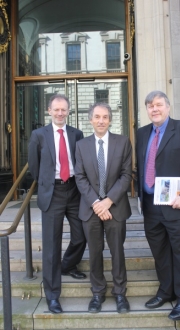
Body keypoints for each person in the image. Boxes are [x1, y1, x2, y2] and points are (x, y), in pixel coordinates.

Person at [136, 91, 180, 321]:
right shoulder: (142, 133)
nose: (154, 109)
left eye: (158, 105)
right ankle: (166, 291)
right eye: (150, 106)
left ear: (168, 107)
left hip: (179, 206)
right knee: (160, 253)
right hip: (151, 206)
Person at [28, 94, 86, 314]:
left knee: (82, 234)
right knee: (51, 246)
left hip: (74, 190)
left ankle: (68, 265)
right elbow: (34, 166)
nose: (60, 113)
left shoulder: (76, 134)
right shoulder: (38, 135)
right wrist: (46, 184)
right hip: (52, 192)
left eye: (64, 109)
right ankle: (52, 296)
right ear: (49, 111)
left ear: (68, 111)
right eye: (56, 109)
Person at [75, 102, 132, 314]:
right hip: (90, 209)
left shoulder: (123, 142)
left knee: (117, 252)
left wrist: (108, 201)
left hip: (115, 208)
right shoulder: (81, 145)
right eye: (97, 117)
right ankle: (98, 292)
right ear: (90, 120)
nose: (101, 121)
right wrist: (97, 203)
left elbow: (126, 175)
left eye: (105, 117)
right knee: (95, 252)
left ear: (110, 119)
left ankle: (120, 293)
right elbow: (80, 177)